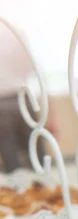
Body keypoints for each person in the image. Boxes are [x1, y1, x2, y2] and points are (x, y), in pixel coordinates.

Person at [0, 26, 35, 173]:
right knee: (34, 157)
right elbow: (29, 67)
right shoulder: (13, 31)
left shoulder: (13, 31)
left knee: (15, 160)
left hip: (16, 97)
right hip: (19, 97)